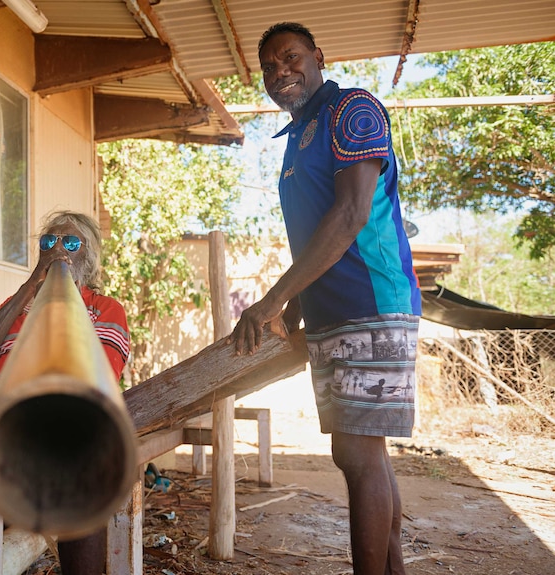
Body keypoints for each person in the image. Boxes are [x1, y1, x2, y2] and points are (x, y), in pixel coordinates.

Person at [229, 23, 421, 575]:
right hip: (334, 310)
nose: (279, 72)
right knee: (361, 454)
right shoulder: (299, 134)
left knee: (358, 456)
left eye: (290, 58)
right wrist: (297, 306)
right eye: (268, 66)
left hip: (371, 300)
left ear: (317, 57)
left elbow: (350, 215)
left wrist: (270, 300)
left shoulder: (352, 110)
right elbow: (314, 231)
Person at [0, 211, 130, 575]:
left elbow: (98, 385)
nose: (58, 249)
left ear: (90, 257)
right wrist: (31, 286)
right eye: (48, 242)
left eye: (70, 242)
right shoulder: (14, 306)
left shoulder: (105, 310)